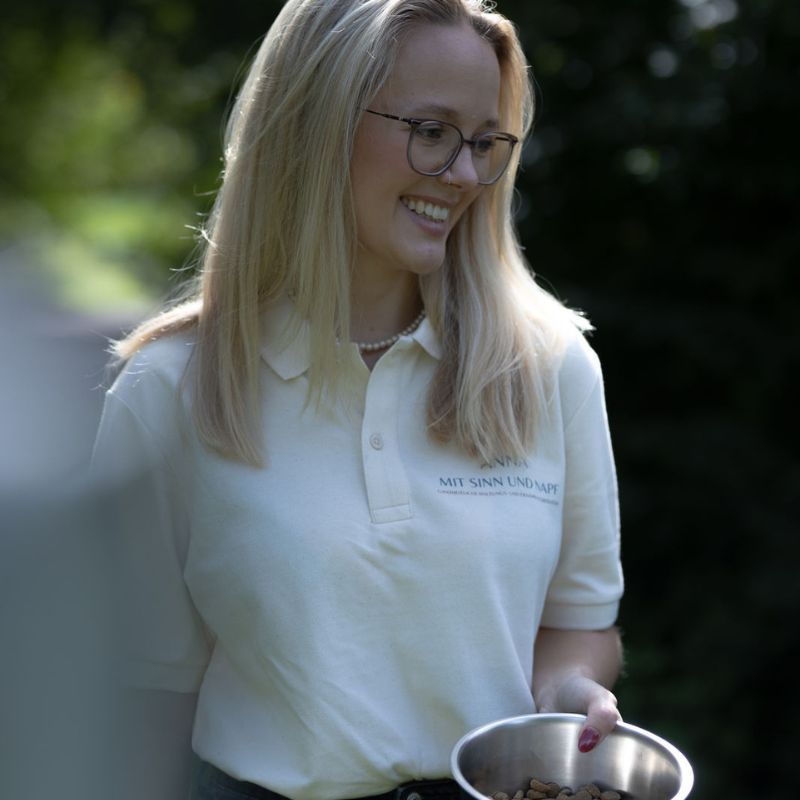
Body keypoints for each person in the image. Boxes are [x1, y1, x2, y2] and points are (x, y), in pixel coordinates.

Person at [92, 1, 624, 799]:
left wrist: (567, 695)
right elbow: (137, 704)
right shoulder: (171, 390)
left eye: (484, 142)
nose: (468, 175)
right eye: (432, 131)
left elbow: (579, 621)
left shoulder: (551, 369)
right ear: (316, 122)